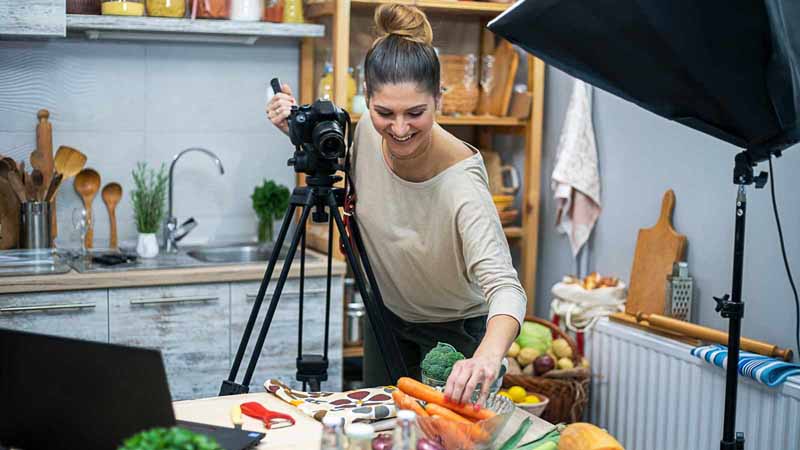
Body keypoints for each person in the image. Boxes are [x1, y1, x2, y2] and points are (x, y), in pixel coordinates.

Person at [266, 3, 526, 406]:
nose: (400, 129)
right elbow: (338, 162)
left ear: (438, 98)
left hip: (455, 332)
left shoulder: (461, 181)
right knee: (378, 428)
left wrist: (487, 357)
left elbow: (506, 287)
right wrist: (295, 129)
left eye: (415, 113)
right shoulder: (367, 132)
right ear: (367, 98)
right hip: (385, 318)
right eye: (385, 112)